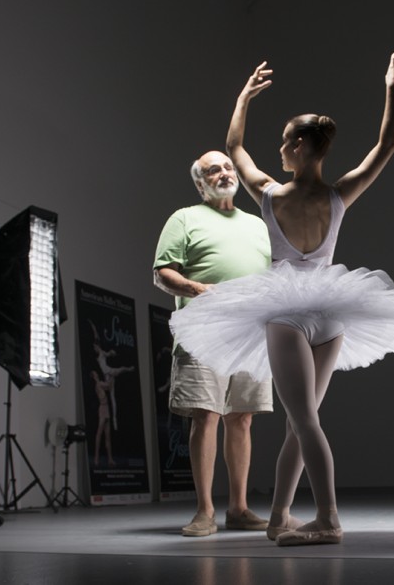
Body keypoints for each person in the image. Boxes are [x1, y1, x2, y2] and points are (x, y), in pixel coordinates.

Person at [170, 52, 394, 546]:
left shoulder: (270, 195)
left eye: (286, 140)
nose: (281, 148)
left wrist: (244, 97)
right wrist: (392, 88)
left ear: (301, 145)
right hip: (331, 312)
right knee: (299, 423)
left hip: (287, 313)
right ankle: (280, 516)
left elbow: (233, 145)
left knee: (304, 420)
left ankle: (329, 519)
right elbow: (388, 144)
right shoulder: (340, 194)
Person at [153, 151, 273, 537]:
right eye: (213, 170)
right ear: (199, 183)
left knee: (243, 417)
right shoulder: (185, 218)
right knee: (206, 414)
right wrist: (197, 288)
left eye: (227, 167)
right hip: (204, 328)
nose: (223, 173)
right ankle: (205, 511)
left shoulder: (257, 224)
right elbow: (162, 272)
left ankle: (238, 508)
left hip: (251, 331)